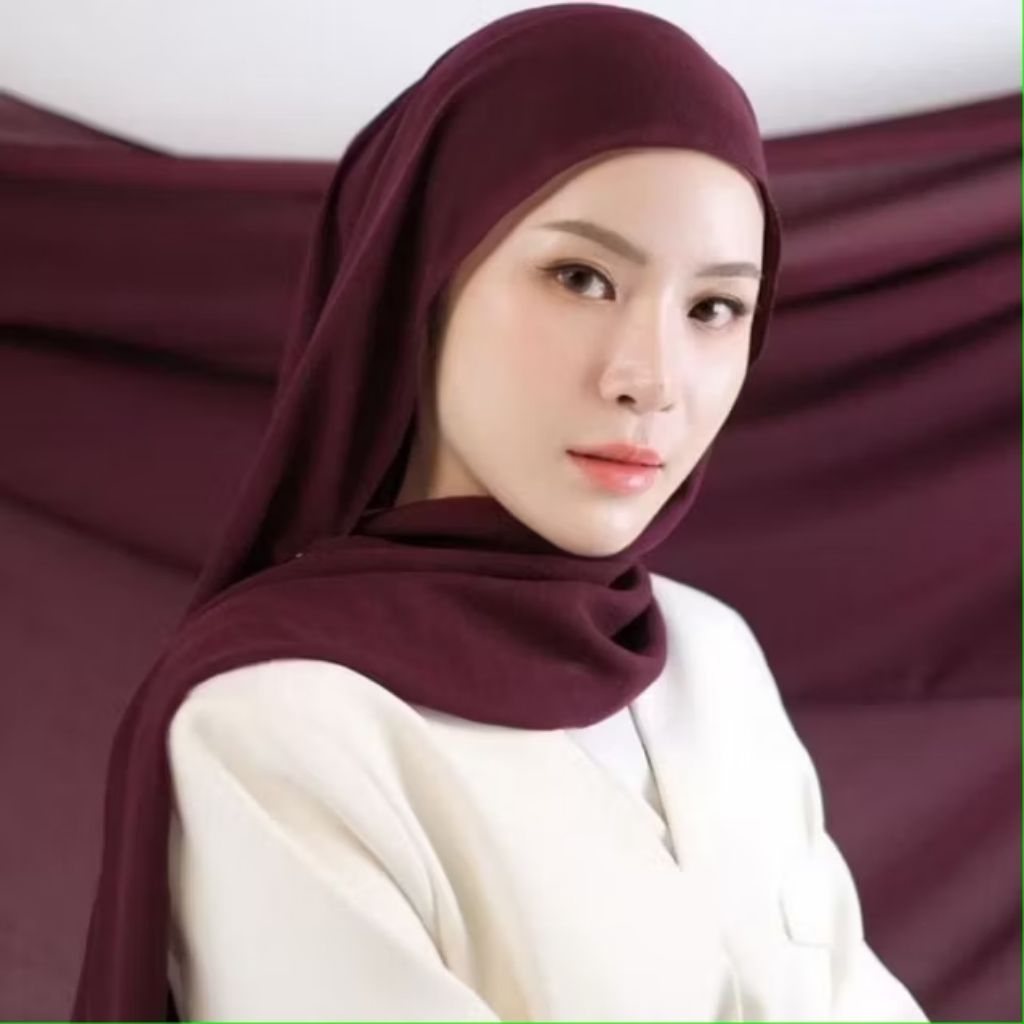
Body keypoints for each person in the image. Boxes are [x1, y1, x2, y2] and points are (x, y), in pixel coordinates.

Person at [72, 4, 929, 1020]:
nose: (651, 379)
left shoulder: (709, 657)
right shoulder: (279, 727)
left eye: (713, 308)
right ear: (419, 282)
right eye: (580, 277)